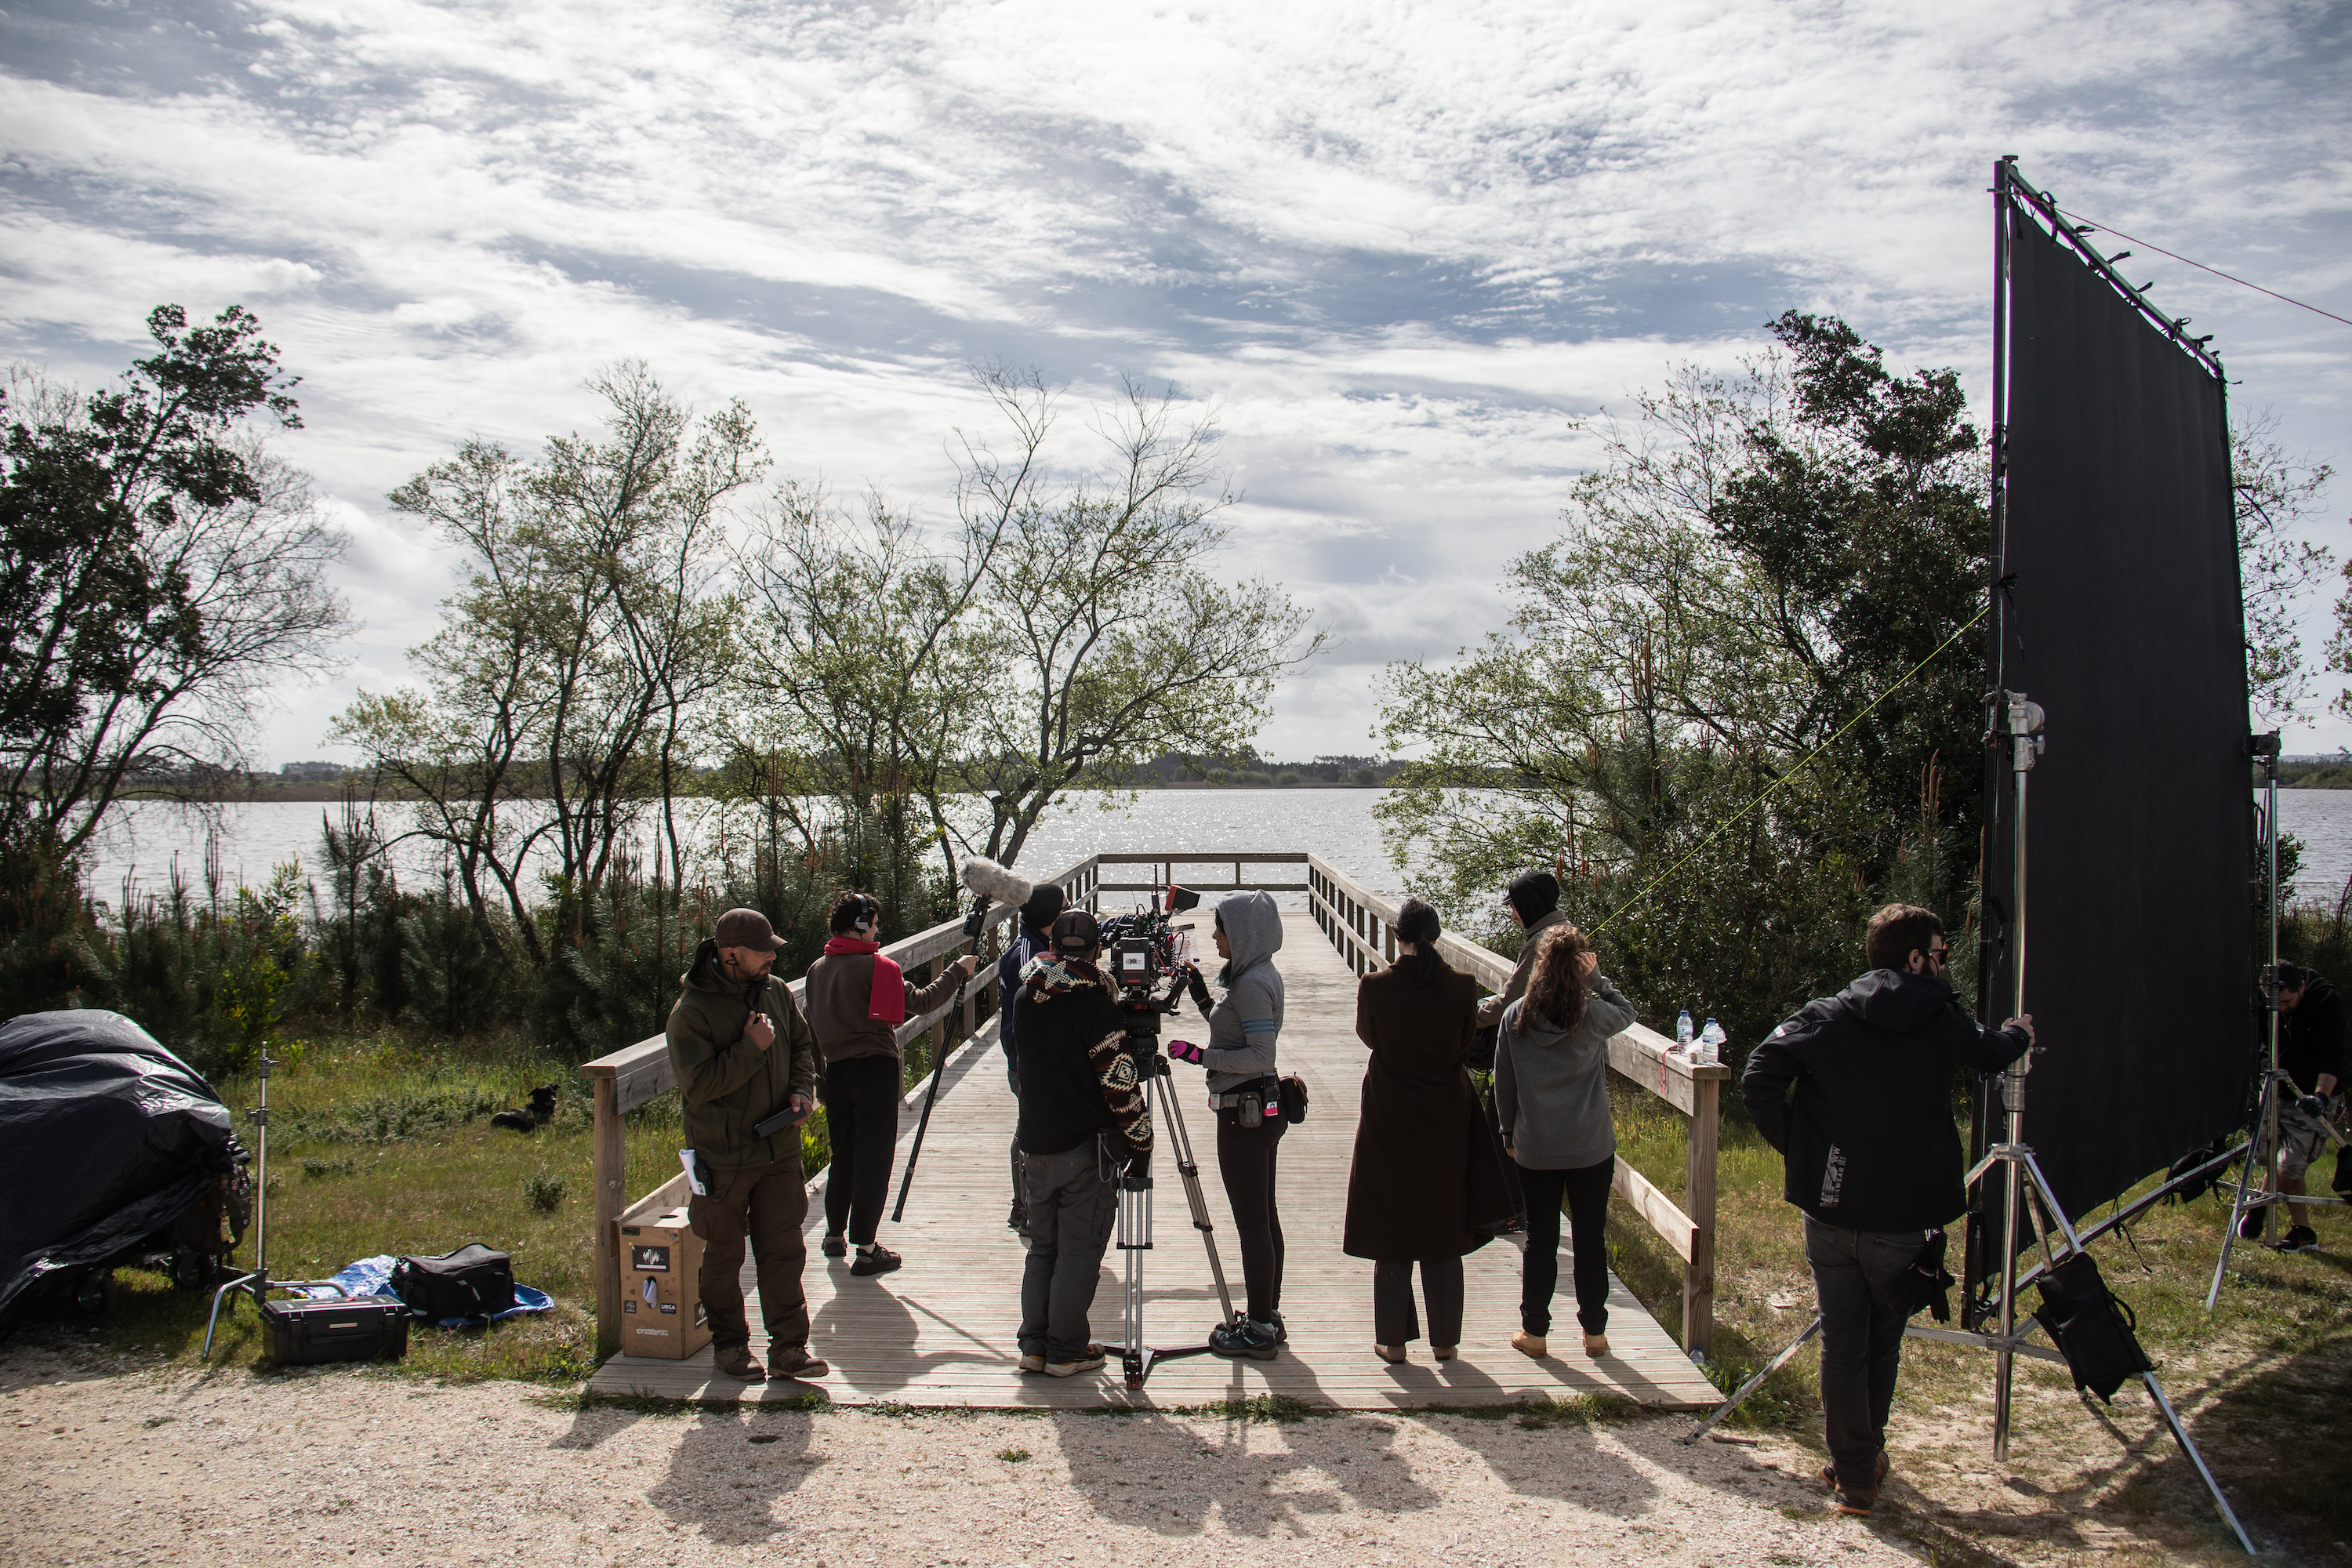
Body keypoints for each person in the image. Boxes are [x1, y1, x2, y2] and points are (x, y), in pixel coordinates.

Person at [1741, 903, 2034, 1517]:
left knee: (1843, 1343)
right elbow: (1990, 1053)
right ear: (1915, 959)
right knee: (1881, 1345)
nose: (1944, 963)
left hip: (1829, 1207)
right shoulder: (1943, 1019)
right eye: (1941, 953)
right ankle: (1862, 1463)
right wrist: (2020, 1035)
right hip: (1902, 1220)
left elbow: (1759, 1073)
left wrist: (1803, 1150)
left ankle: (1855, 1475)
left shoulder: (1829, 1013)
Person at [1343, 898, 1513, 1363]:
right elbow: (1463, 1043)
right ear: (1436, 936)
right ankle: (1445, 1343)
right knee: (1444, 1227)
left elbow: (1368, 1036)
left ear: (1397, 936)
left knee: (1391, 1226)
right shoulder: (1462, 987)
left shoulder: (1374, 986)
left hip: (1389, 1113)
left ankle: (1392, 1342)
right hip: (1446, 1114)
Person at [665, 906, 826, 1384]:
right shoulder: (690, 1014)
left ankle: (789, 1348)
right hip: (723, 1156)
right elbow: (700, 1086)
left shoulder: (774, 992)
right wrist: (750, 1047)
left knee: (784, 1250)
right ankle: (731, 1346)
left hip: (779, 1148)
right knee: (723, 1256)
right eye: (763, 952)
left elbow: (801, 1044)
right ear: (730, 954)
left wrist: (803, 1088)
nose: (772, 959)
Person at [1012, 908, 1154, 1376]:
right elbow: (1119, 1084)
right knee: (1079, 1251)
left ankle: (1035, 1345)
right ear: (1098, 951)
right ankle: (1066, 1348)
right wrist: (1141, 1142)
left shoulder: (1024, 996)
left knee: (1042, 1248)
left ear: (1054, 948)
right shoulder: (1096, 1006)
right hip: (1084, 1152)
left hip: (1034, 1145)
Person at [807, 891, 979, 1276]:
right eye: (875, 922)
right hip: (874, 1072)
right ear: (862, 925)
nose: (879, 929)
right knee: (874, 1159)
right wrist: (957, 971)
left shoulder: (817, 970)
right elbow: (921, 1002)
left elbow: (811, 1029)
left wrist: (820, 1078)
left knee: (844, 1156)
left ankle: (834, 1236)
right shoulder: (877, 967)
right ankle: (866, 1249)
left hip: (836, 1074)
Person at [1495, 922, 1635, 1360]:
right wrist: (1597, 979)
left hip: (1535, 1146)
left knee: (1541, 1239)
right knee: (1590, 1238)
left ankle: (1535, 1332)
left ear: (1538, 966)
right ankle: (1595, 1334)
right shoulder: (1591, 1016)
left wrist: (1507, 1131)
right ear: (1578, 967)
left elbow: (1505, 1082)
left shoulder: (1515, 1016)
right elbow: (1628, 1012)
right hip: (1590, 1145)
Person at [1167, 889, 1288, 1359]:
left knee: (1252, 1221)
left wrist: (1198, 1057)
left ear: (1243, 933)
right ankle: (1266, 1313)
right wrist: (1200, 992)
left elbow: (1260, 1054)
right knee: (1263, 1216)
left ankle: (1258, 1327)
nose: (1215, 935)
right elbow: (1233, 1029)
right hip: (1254, 1108)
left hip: (1245, 1112)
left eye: (1220, 928)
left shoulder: (1253, 984)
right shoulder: (1252, 976)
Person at [1472, 869, 1568, 1227]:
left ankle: (1512, 1209)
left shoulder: (1540, 942)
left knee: (1500, 1123)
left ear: (1526, 905)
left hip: (1531, 1051)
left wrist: (1470, 1017)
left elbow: (1513, 999)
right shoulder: (1566, 932)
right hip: (1561, 1054)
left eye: (1512, 905)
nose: (1511, 913)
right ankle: (1521, 1205)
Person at [2245, 963, 2344, 1252]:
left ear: (2302, 987)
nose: (2282, 1008)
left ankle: (2258, 1208)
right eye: (2276, 1003)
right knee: (2274, 1160)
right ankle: (2304, 1233)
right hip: (2277, 1089)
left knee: (2291, 1165)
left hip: (2312, 1093)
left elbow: (2332, 1051)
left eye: (2288, 1001)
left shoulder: (2326, 1002)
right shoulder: (2269, 999)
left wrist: (2321, 1097)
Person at [996, 881, 1069, 1240]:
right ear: (1049, 917)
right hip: (1028, 1058)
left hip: (1034, 1056)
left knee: (1030, 1124)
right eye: (1065, 910)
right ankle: (1024, 1206)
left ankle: (1023, 1203)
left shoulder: (1039, 944)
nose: (1070, 914)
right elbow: (1045, 990)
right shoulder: (1028, 954)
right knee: (1029, 1128)